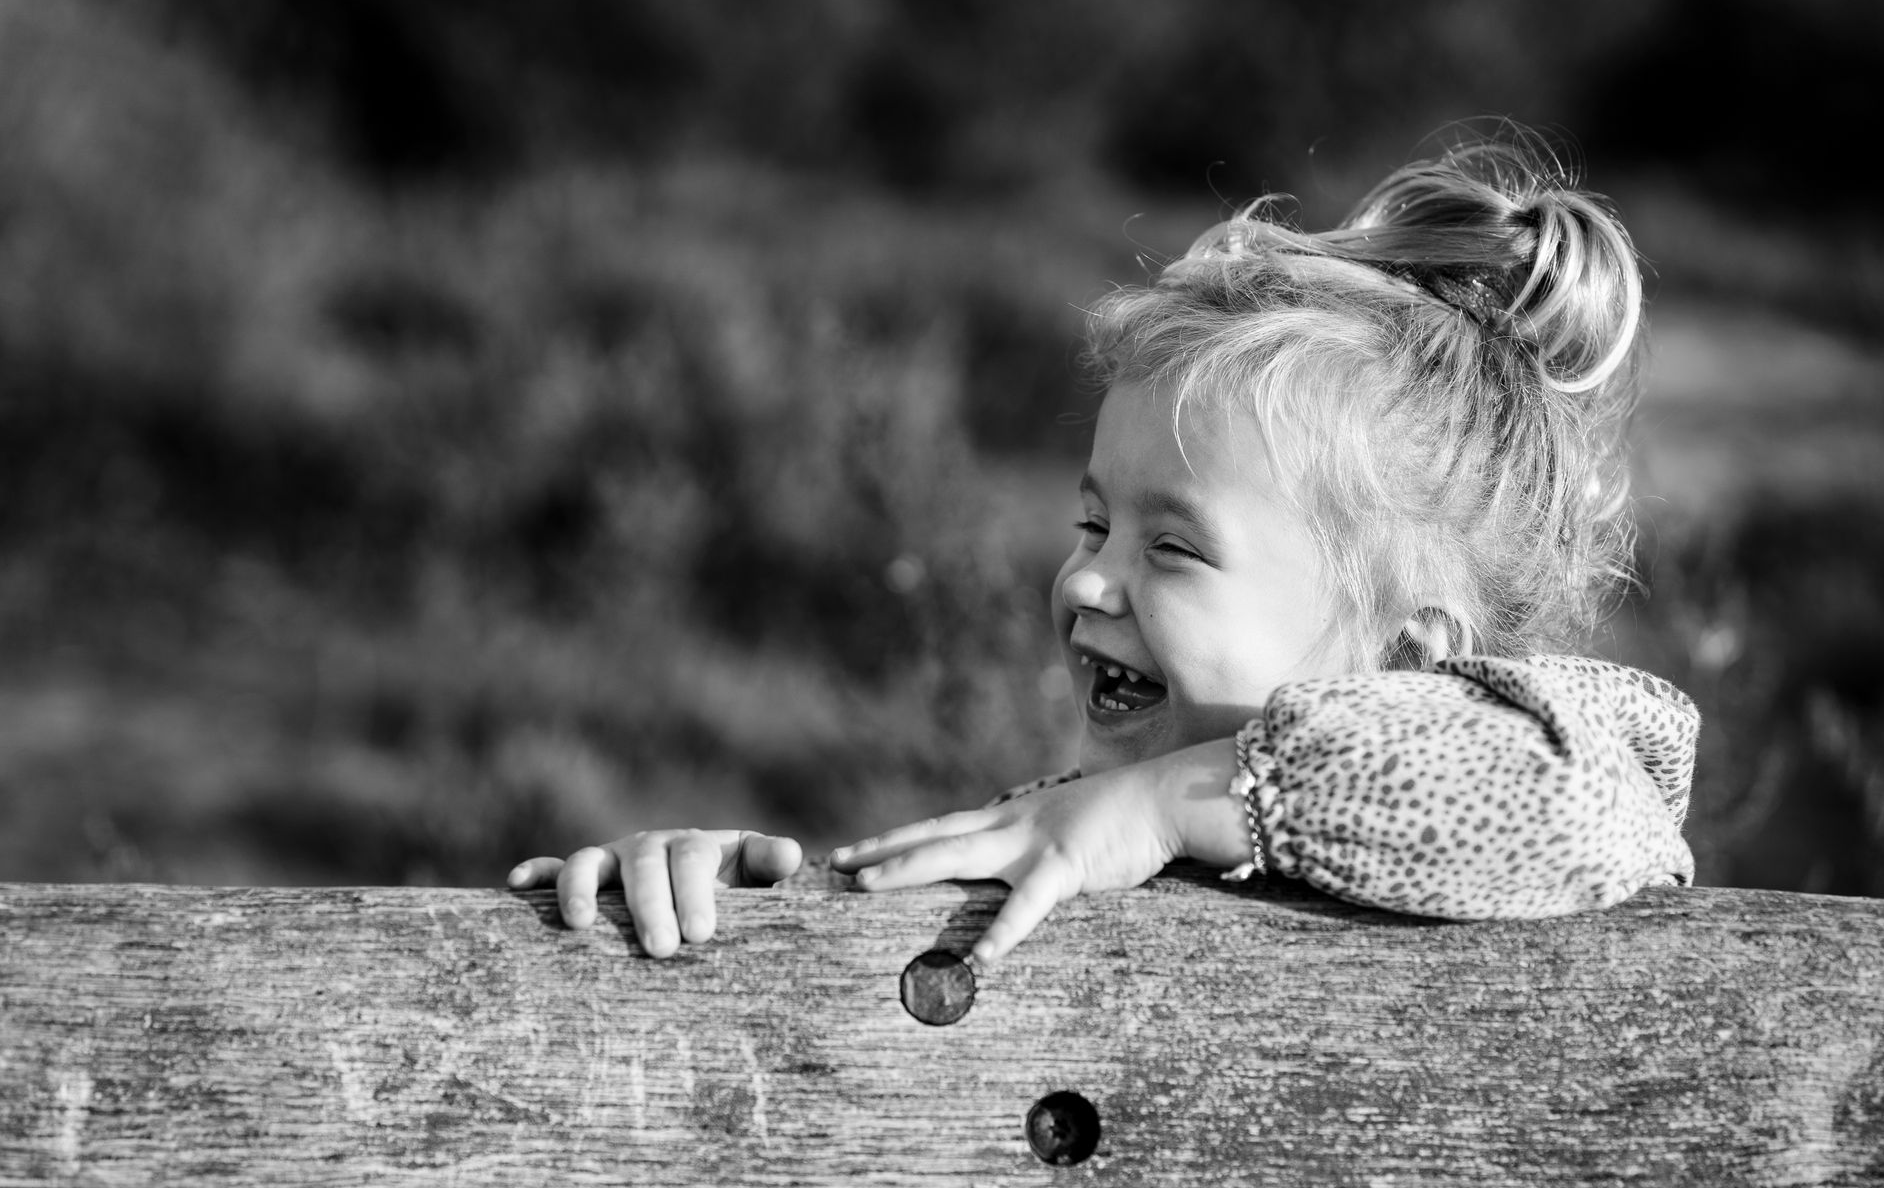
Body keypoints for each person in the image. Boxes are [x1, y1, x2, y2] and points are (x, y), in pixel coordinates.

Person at [507, 132, 1696, 969]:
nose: (1082, 577)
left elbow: (1590, 793)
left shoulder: (1538, 813)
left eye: (1173, 546)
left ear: (1409, 653)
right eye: (1093, 522)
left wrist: (1174, 804)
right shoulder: (1070, 825)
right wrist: (721, 912)